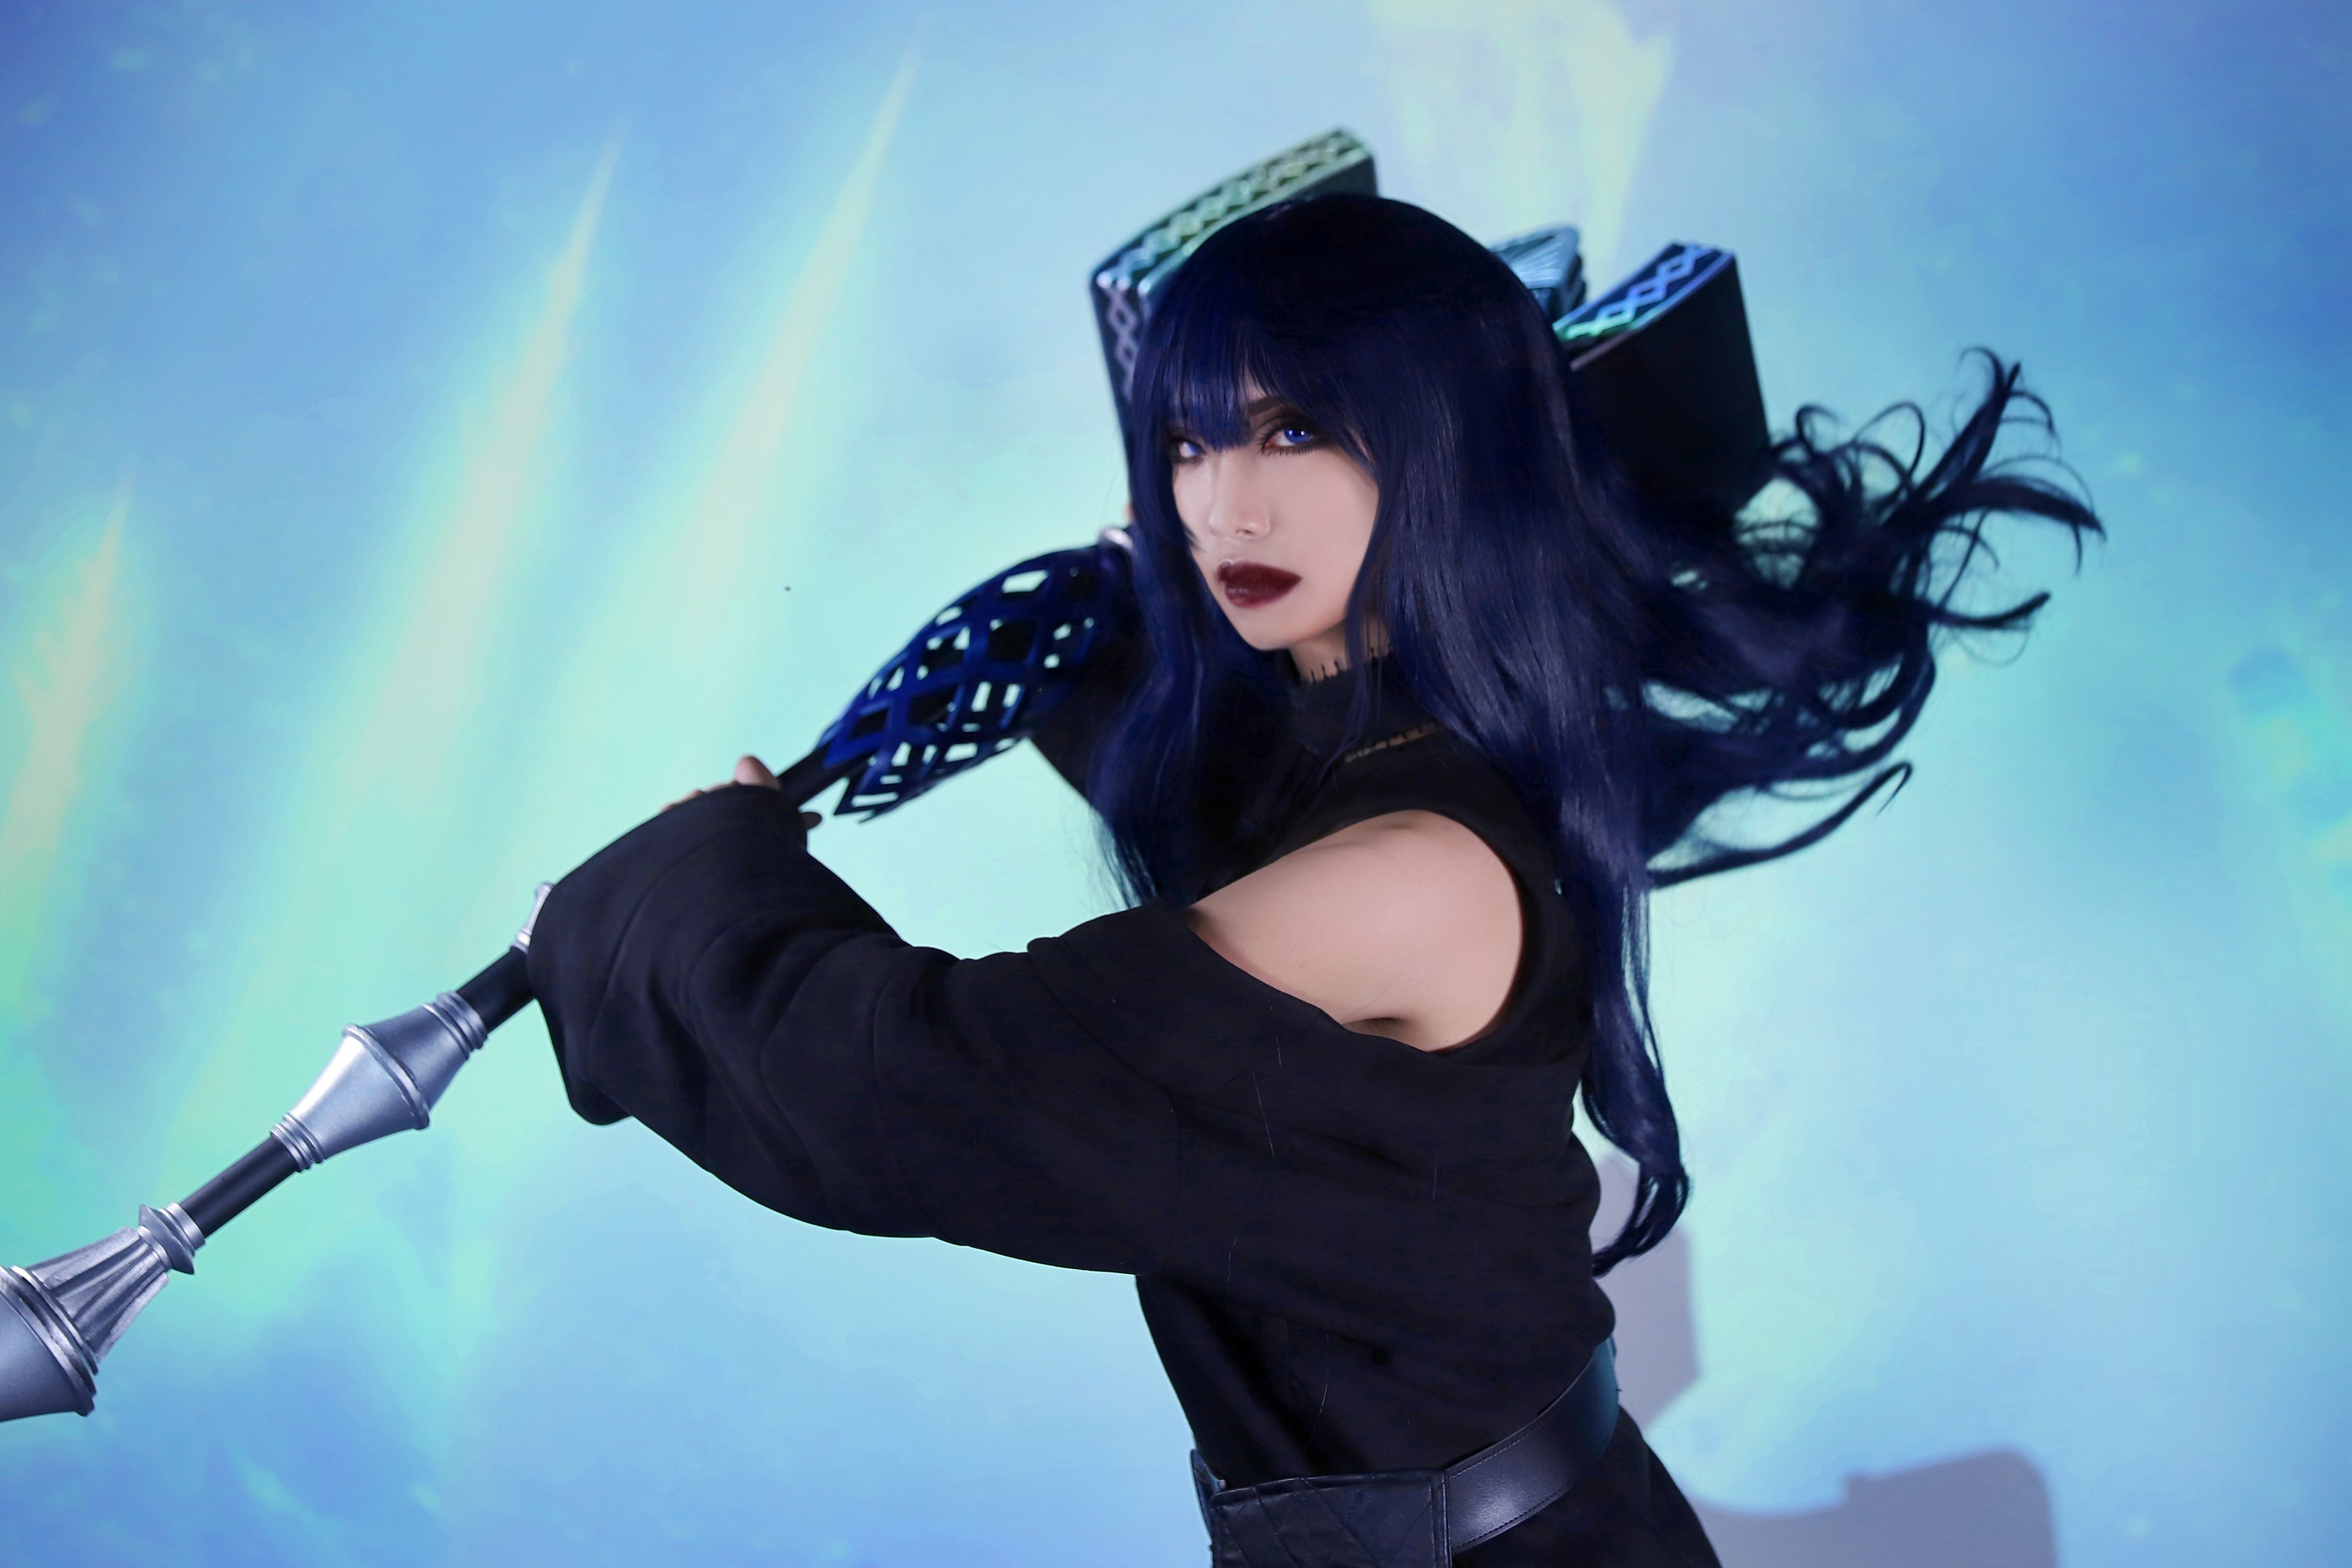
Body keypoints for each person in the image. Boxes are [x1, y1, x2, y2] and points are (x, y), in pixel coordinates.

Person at [526, 195, 2098, 1566]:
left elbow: (926, 1090)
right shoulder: (1358, 763)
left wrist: (684, 893)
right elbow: (1196, 767)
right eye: (1190, 439)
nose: (1224, 504)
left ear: (1450, 448)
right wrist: (1102, 618)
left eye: (1294, 430)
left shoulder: (1409, 873)